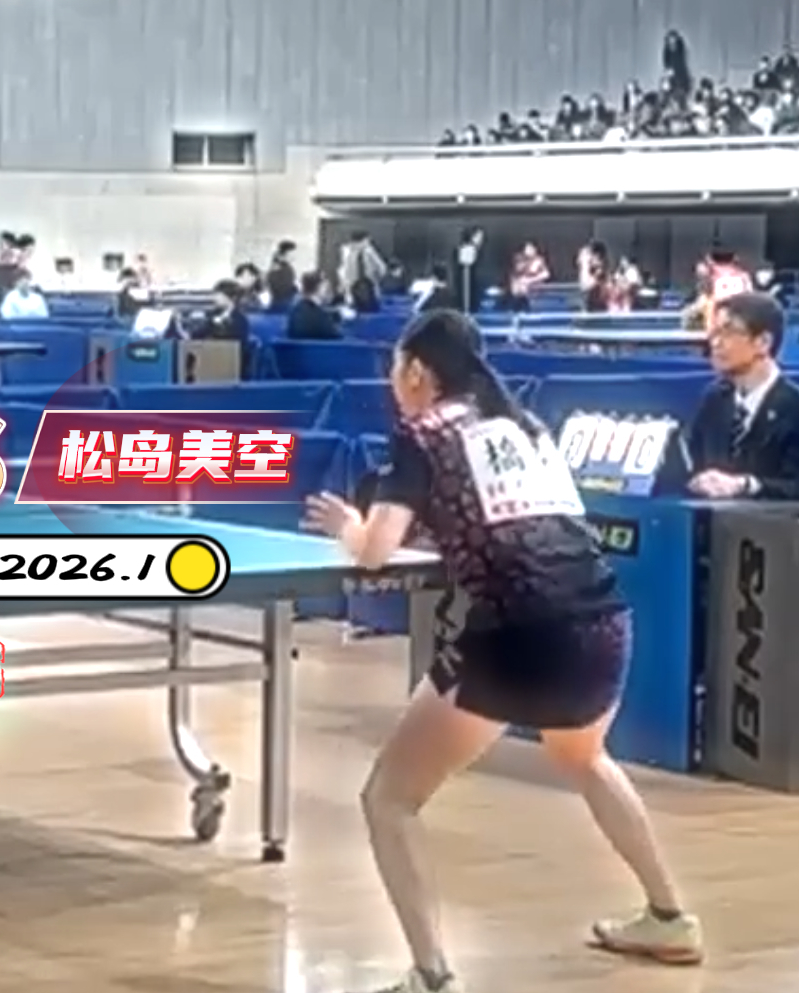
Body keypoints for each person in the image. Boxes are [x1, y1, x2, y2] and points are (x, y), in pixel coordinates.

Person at [302, 310, 700, 993]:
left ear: (417, 371)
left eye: (396, 366)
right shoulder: (525, 426)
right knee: (583, 756)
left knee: (389, 799)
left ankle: (432, 978)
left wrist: (349, 525)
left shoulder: (421, 434)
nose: (393, 380)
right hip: (603, 621)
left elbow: (374, 553)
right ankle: (670, 918)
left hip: (519, 634)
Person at [686, 291, 799, 499]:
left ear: (763, 342)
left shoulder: (794, 408)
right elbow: (693, 464)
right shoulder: (713, 401)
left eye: (728, 332)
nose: (715, 343)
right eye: (714, 333)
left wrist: (747, 485)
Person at [285, 271, 342, 340]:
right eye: (326, 288)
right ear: (319, 288)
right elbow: (335, 336)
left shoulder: (295, 312)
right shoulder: (320, 317)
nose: (329, 292)